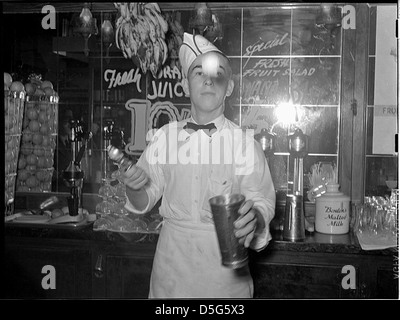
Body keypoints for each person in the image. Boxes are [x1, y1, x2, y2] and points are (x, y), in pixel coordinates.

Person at [122, 32, 276, 298]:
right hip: (170, 279)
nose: (207, 80)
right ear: (185, 84)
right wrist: (134, 186)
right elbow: (141, 201)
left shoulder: (245, 144)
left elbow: (262, 203)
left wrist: (256, 220)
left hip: (225, 283)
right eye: (198, 73)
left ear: (229, 86)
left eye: (217, 74)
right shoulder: (164, 138)